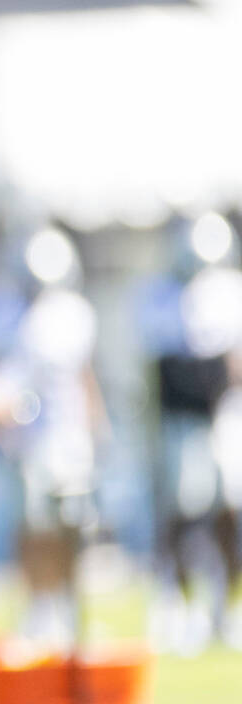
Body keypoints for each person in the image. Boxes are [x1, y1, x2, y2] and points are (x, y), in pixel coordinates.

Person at [0, 223, 108, 648]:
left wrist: (98, 428)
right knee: (30, 526)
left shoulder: (72, 312)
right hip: (18, 439)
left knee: (73, 527)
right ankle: (39, 606)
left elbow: (84, 374)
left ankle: (69, 608)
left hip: (67, 437)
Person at [136, 211, 242, 653]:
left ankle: (227, 606)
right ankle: (181, 603)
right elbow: (162, 367)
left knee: (230, 515)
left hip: (227, 416)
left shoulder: (228, 290)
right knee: (183, 513)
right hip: (181, 422)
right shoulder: (157, 296)